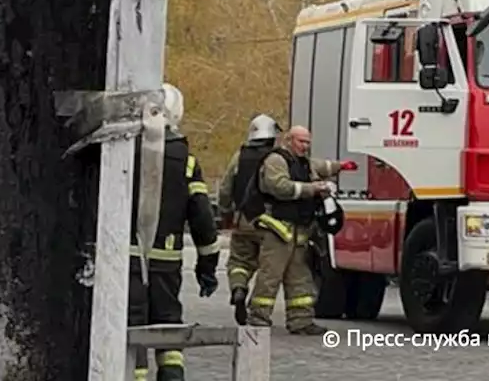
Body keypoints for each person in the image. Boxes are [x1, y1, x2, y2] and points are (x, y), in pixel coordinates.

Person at [128, 83, 222, 381]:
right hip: (166, 263)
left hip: (126, 259)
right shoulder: (186, 161)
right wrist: (208, 264)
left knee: (132, 326)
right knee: (167, 325)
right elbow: (202, 216)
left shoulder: (123, 152)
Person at [238, 125, 354, 332]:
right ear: (288, 140)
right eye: (301, 142)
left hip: (298, 229)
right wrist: (313, 189)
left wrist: (342, 166)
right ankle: (258, 318)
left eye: (308, 142)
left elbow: (322, 166)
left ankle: (301, 321)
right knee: (270, 276)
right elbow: (279, 187)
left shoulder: (303, 163)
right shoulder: (275, 161)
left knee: (300, 278)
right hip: (277, 229)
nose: (306, 147)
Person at [217, 113, 282, 324]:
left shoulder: (239, 156)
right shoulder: (278, 158)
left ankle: (238, 288)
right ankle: (259, 311)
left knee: (239, 261)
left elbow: (226, 188)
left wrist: (225, 212)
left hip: (243, 220)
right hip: (272, 223)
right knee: (268, 269)